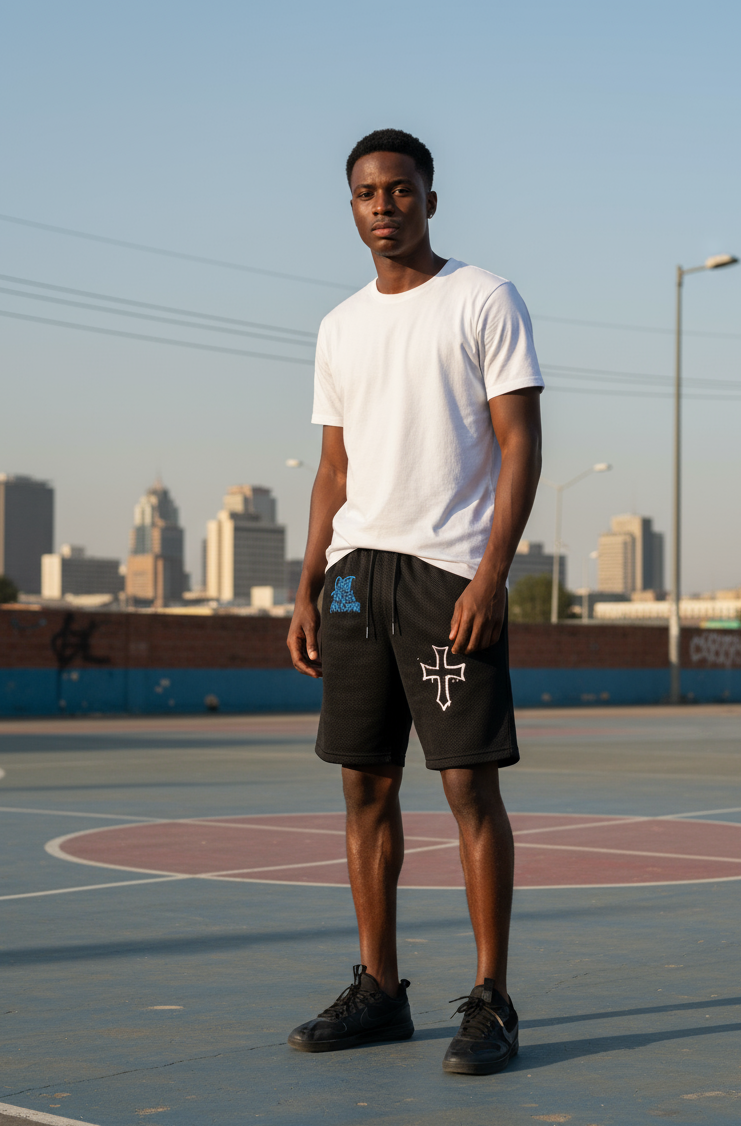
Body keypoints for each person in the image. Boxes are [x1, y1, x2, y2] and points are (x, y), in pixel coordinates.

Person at [286, 128, 543, 1075]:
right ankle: (380, 991)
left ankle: (491, 999)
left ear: (430, 199)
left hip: (447, 575)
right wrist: (307, 587)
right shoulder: (339, 326)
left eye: (400, 189)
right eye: (367, 193)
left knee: (469, 786)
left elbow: (520, 444)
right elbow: (332, 470)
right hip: (357, 575)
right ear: (351, 207)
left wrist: (491, 575)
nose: (384, 205)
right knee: (364, 786)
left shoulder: (483, 298)